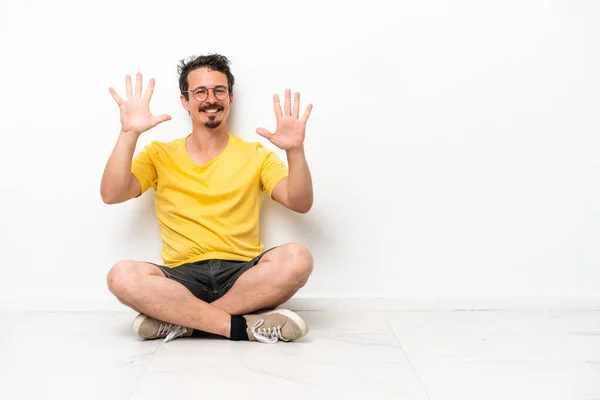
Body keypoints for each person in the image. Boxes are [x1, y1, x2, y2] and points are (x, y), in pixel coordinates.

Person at [101, 54, 314, 344]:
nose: (210, 99)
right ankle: (241, 327)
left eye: (219, 90)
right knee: (121, 276)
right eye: (200, 92)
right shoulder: (158, 154)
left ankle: (182, 322)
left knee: (297, 258)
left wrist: (295, 151)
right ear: (185, 101)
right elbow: (111, 194)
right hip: (181, 280)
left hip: (242, 275)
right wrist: (128, 134)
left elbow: (300, 202)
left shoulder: (256, 154)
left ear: (230, 98)